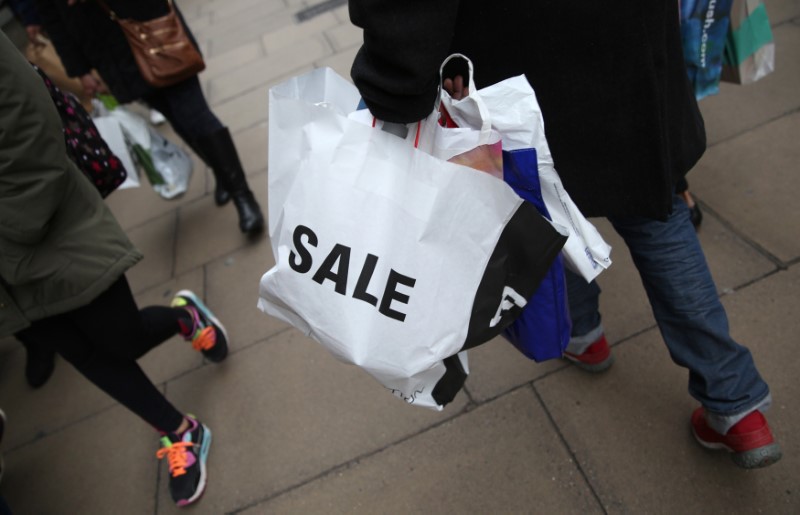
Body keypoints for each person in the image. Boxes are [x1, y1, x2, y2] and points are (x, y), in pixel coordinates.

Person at [348, 1, 780, 469]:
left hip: (520, 51)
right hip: (627, 38)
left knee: (544, 206)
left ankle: (581, 333)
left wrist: (397, 83)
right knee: (656, 214)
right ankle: (735, 403)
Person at [0, 31, 224, 506]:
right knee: (83, 354)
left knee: (121, 337)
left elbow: (27, 123)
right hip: (6, 274)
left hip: (42, 225)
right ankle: (180, 430)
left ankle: (185, 316)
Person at [32, 0, 264, 234]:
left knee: (194, 114)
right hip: (110, 54)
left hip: (152, 31)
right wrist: (81, 70)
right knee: (175, 116)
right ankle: (221, 171)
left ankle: (242, 195)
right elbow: (53, 17)